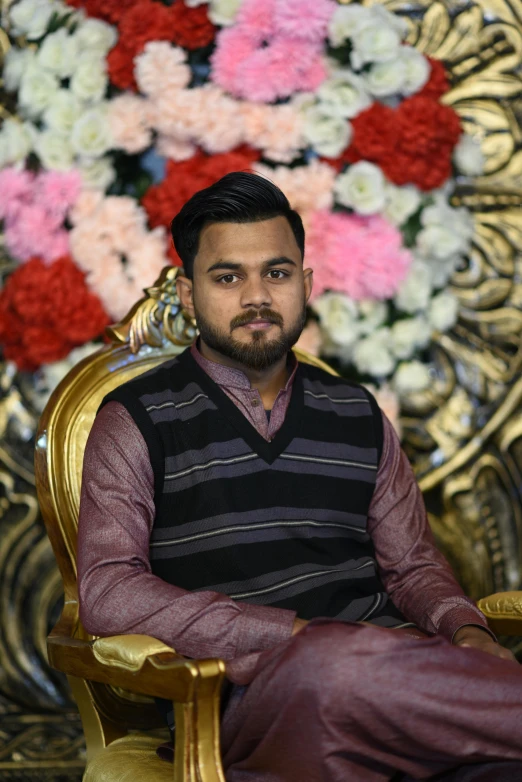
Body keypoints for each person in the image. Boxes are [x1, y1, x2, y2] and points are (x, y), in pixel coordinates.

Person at [77, 172, 522, 782]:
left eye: (277, 273)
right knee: (329, 665)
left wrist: (468, 634)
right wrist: (293, 636)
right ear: (187, 293)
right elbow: (109, 593)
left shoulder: (357, 411)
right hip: (254, 700)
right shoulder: (136, 419)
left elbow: (413, 567)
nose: (257, 295)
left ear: (306, 284)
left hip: (400, 690)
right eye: (228, 276)